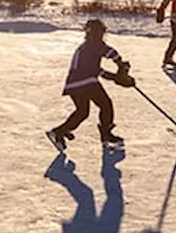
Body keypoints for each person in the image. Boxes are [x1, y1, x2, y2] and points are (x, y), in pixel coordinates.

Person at [48, 19, 129, 152]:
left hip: (74, 84)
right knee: (106, 104)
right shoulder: (93, 45)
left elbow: (96, 70)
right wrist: (120, 64)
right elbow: (111, 53)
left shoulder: (86, 47)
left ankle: (58, 132)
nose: (102, 36)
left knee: (82, 112)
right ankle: (106, 135)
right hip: (86, 82)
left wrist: (115, 77)